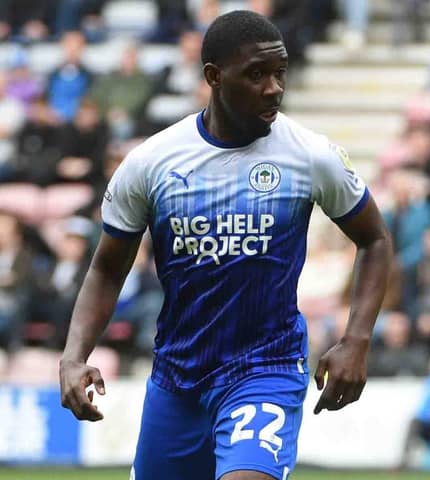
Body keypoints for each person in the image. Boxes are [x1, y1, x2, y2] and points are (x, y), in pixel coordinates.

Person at [59, 10, 391, 480]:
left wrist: (356, 340)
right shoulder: (152, 163)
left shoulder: (308, 154)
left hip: (266, 368)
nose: (274, 87)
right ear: (213, 77)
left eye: (280, 73)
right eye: (256, 74)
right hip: (178, 378)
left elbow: (375, 238)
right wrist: (74, 357)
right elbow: (107, 269)